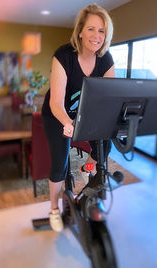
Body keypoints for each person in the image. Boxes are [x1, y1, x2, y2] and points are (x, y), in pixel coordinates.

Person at [41, 4, 115, 232]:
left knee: (105, 149)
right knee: (59, 165)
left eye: (101, 31)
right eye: (91, 29)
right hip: (57, 115)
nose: (96, 36)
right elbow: (56, 102)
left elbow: (109, 97)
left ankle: (87, 172)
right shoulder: (64, 56)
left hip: (86, 115)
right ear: (80, 31)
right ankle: (54, 208)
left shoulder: (105, 59)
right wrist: (67, 123)